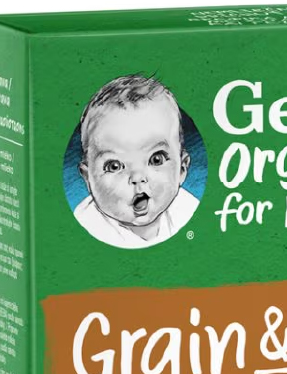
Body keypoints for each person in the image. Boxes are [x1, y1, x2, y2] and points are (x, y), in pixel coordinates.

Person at [74, 74, 198, 248]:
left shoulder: (187, 210)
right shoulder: (86, 227)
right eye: (114, 166)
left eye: (156, 159)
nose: (137, 177)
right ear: (88, 178)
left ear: (182, 169)